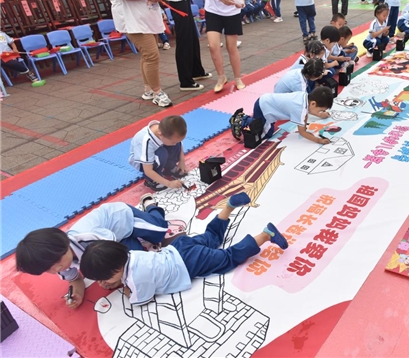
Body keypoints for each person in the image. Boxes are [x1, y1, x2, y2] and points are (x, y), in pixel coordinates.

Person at [79, 193, 289, 305]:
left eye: (104, 279)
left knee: (228, 258)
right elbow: (122, 269)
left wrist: (122, 287)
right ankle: (228, 207)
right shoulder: (131, 254)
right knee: (211, 237)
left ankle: (265, 235)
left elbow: (139, 299)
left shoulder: (136, 279)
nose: (103, 283)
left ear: (115, 271)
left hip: (189, 262)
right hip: (179, 246)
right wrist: (114, 278)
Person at [15, 196, 169, 309]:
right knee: (136, 262)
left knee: (160, 232)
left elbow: (117, 255)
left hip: (122, 218)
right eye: (48, 269)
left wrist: (117, 279)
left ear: (64, 244)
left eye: (56, 263)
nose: (56, 269)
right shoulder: (59, 264)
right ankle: (133, 239)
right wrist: (78, 294)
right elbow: (75, 280)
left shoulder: (88, 239)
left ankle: (150, 205)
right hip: (115, 239)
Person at [107, 0, 171, 107]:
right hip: (132, 17)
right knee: (152, 55)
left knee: (147, 55)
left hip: (147, 14)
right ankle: (157, 92)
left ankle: (148, 90)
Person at [162, 0, 211, 92]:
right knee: (184, 40)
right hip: (177, 1)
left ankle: (196, 71)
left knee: (192, 38)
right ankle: (185, 80)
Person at [200, 0, 249, 92]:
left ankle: (237, 78)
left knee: (231, 46)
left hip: (232, 9)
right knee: (213, 45)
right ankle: (221, 77)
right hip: (213, 8)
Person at [230, 87, 334, 143]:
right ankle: (241, 121)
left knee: (270, 130)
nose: (320, 112)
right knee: (263, 135)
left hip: (265, 101)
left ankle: (249, 119)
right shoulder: (300, 109)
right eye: (320, 110)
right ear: (313, 103)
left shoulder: (305, 97)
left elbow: (306, 113)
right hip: (264, 108)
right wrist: (318, 140)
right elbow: (302, 132)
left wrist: (320, 115)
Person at [129, 115, 188, 191]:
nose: (175, 144)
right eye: (173, 142)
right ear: (160, 135)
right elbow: (148, 170)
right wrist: (169, 183)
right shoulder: (147, 142)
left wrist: (182, 161)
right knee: (162, 153)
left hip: (158, 150)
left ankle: (170, 168)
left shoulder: (166, 129)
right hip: (143, 163)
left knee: (175, 145)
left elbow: (178, 143)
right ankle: (151, 180)